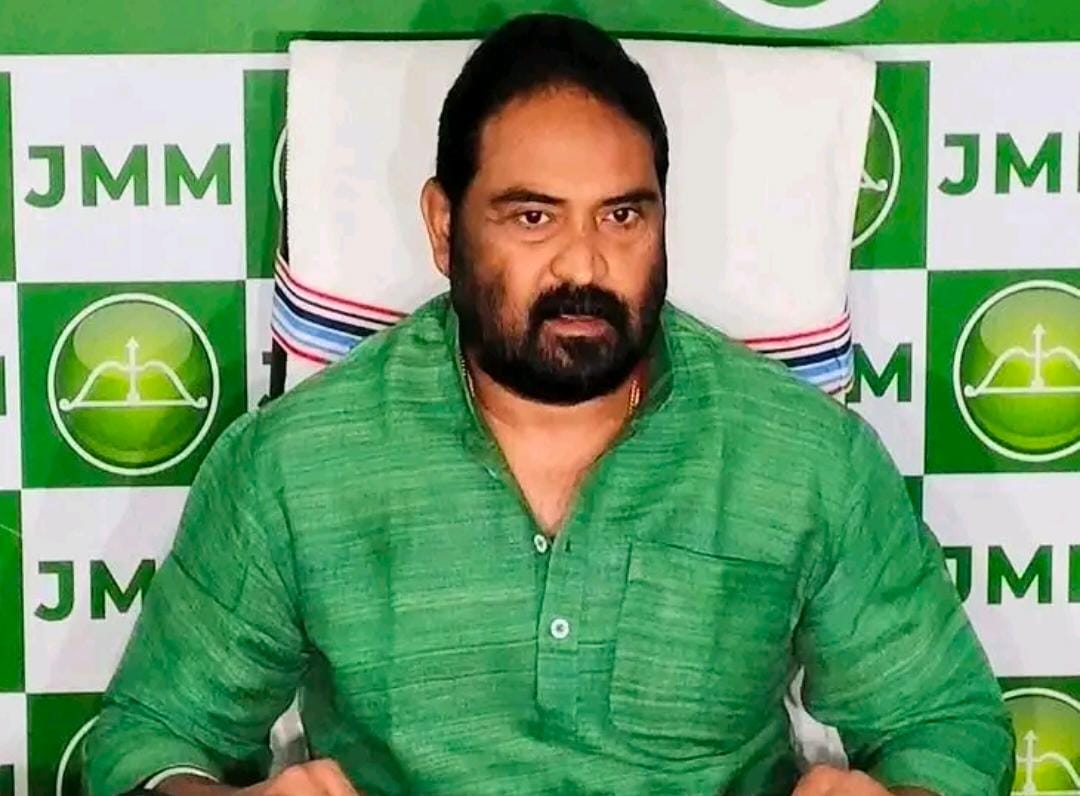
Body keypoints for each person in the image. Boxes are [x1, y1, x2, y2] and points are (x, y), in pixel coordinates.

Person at [84, 13, 1015, 796]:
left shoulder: (807, 458)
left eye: (623, 215)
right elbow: (151, 737)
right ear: (444, 226)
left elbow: (946, 726)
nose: (584, 264)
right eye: (533, 217)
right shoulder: (293, 466)